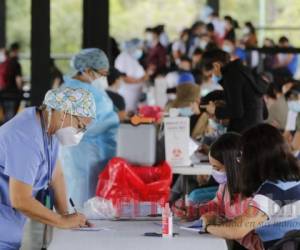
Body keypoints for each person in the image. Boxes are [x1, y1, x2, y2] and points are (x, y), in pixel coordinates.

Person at [0, 86, 96, 249]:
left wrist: (66, 214)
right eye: (79, 125)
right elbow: (20, 199)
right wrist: (60, 221)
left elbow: (56, 175)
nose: (79, 132)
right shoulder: (26, 136)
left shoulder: (47, 130)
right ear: (63, 112)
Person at [202, 124, 300, 249]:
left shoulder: (272, 190)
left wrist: (209, 226)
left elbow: (236, 230)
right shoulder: (290, 181)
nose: (239, 160)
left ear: (255, 157)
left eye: (242, 154)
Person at [60, 48, 120, 207]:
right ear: (86, 70)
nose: (103, 79)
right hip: (86, 155)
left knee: (82, 200)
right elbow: (84, 127)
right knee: (85, 202)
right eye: (102, 74)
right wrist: (116, 118)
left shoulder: (80, 89)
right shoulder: (80, 92)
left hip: (84, 156)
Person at [199, 133, 262, 250]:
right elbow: (217, 204)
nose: (214, 172)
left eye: (217, 168)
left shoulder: (256, 193)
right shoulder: (226, 185)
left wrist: (209, 226)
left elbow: (237, 230)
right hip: (237, 243)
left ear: (232, 166)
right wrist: (195, 211)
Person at [202, 49, 268, 133]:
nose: (212, 78)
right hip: (256, 129)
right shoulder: (245, 71)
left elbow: (237, 111)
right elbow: (264, 112)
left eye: (211, 74)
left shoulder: (231, 75)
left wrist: (215, 110)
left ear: (216, 66)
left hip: (244, 133)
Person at [115, 38, 149, 112]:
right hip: (127, 95)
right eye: (139, 48)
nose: (140, 50)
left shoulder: (133, 58)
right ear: (133, 47)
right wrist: (141, 79)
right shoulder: (122, 58)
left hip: (137, 94)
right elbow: (124, 77)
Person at [2, 42, 23, 122]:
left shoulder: (5, 62)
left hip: (3, 93)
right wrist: (20, 90)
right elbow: (18, 79)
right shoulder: (16, 64)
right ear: (16, 50)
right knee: (10, 118)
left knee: (5, 116)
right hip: (13, 93)